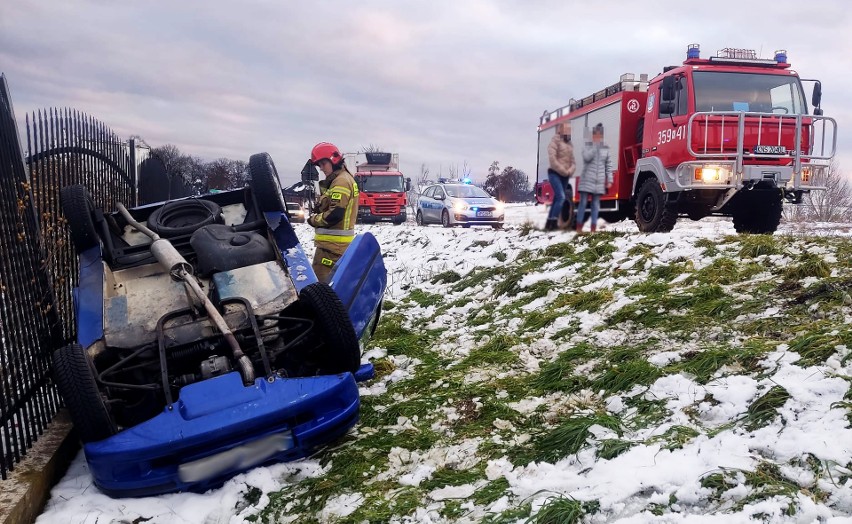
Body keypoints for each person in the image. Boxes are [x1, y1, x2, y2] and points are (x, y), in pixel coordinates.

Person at [306, 142, 359, 283]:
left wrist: (313, 220)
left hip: (332, 248)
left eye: (323, 163)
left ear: (333, 159)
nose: (321, 168)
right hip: (334, 247)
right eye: (319, 165)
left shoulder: (341, 181)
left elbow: (335, 214)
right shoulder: (341, 178)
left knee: (321, 291)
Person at [577, 123, 612, 233]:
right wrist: (594, 147)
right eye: (595, 135)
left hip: (599, 181)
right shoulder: (587, 146)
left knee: (595, 205)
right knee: (583, 203)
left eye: (599, 135)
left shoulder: (606, 148)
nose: (597, 137)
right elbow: (586, 158)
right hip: (587, 179)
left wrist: (609, 179)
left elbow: (608, 165)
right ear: (593, 136)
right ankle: (579, 228)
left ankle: (593, 229)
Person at [545, 122, 576, 231]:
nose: (569, 131)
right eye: (567, 129)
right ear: (561, 130)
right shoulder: (555, 141)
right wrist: (563, 170)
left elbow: (573, 161)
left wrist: (569, 171)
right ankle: (553, 222)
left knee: (557, 198)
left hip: (565, 175)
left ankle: (549, 223)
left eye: (570, 129)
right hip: (555, 174)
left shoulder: (569, 144)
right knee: (562, 197)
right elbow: (552, 159)